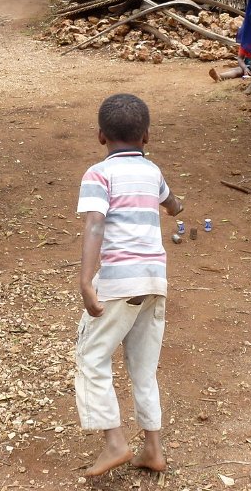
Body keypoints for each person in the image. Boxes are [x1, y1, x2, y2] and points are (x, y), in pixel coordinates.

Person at [75, 93, 184, 477]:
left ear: (101, 136)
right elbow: (172, 203)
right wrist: (176, 208)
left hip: (119, 282)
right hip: (154, 281)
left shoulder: (98, 174)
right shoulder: (152, 172)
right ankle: (152, 448)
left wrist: (86, 281)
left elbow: (95, 224)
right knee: (143, 367)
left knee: (91, 357)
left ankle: (115, 442)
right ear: (147, 136)